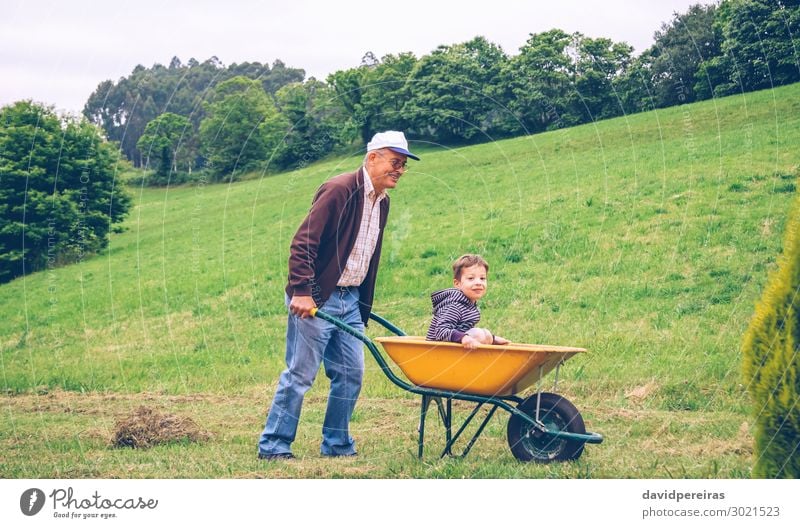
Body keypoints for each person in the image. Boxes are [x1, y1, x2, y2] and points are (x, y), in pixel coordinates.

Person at [257, 131, 420, 460]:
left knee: (351, 374)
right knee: (300, 374)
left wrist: (362, 305)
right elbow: (303, 242)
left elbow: (367, 254)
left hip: (350, 300)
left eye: (403, 165)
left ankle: (337, 445)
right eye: (395, 162)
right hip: (316, 298)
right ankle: (273, 445)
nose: (400, 169)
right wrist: (302, 291)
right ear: (372, 157)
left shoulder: (382, 202)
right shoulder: (340, 189)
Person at [426, 254, 509, 350]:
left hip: (452, 350)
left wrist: (491, 338)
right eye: (471, 278)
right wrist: (464, 338)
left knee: (485, 333)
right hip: (437, 350)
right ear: (457, 284)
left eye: (482, 278)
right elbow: (440, 331)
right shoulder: (454, 306)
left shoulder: (471, 307)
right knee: (479, 334)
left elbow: (465, 330)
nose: (478, 282)